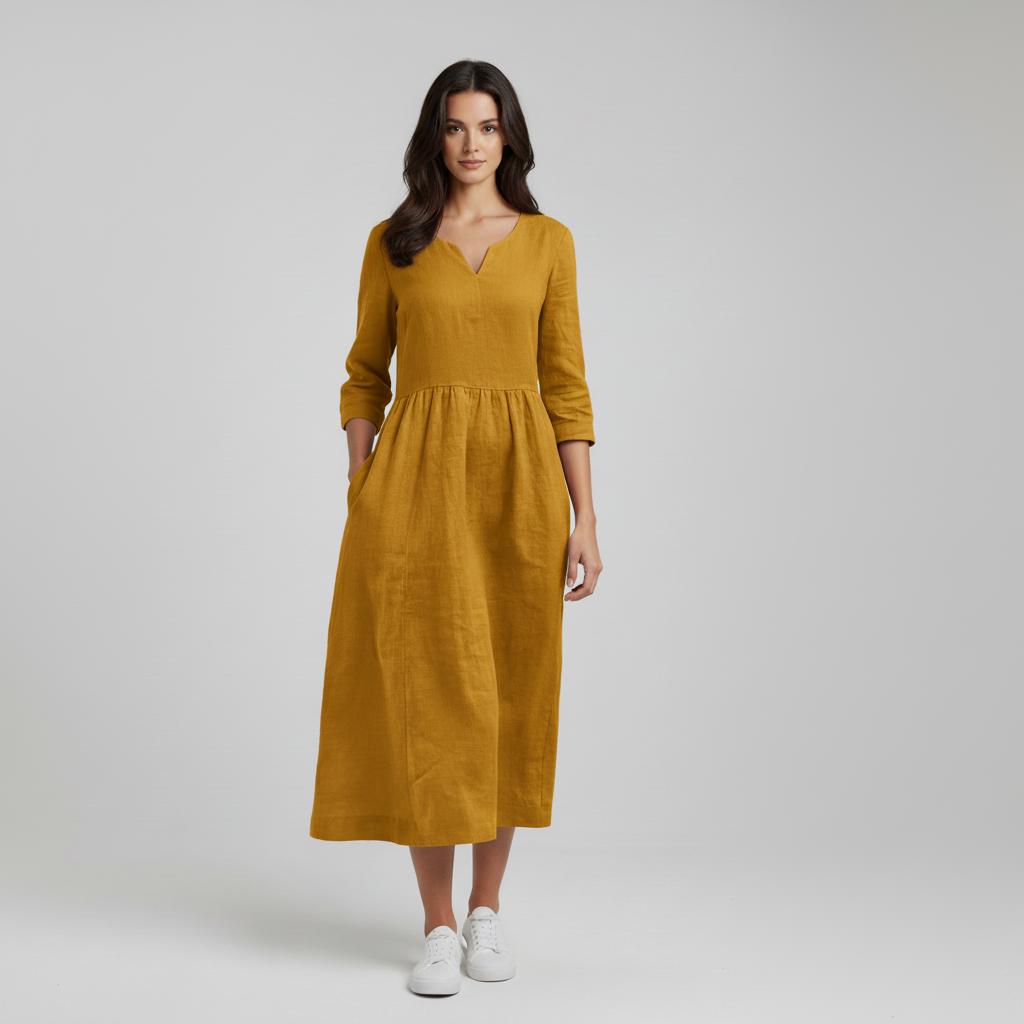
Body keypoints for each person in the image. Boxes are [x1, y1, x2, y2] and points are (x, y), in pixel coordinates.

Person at [309, 59, 602, 996]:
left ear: (508, 135)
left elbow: (566, 386)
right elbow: (365, 373)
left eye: (486, 125)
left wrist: (586, 518)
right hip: (416, 491)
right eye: (454, 126)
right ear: (433, 138)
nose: (471, 143)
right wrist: (362, 482)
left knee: (508, 691)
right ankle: (437, 924)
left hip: (520, 491)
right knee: (430, 699)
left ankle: (486, 911)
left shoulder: (549, 242)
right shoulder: (394, 242)